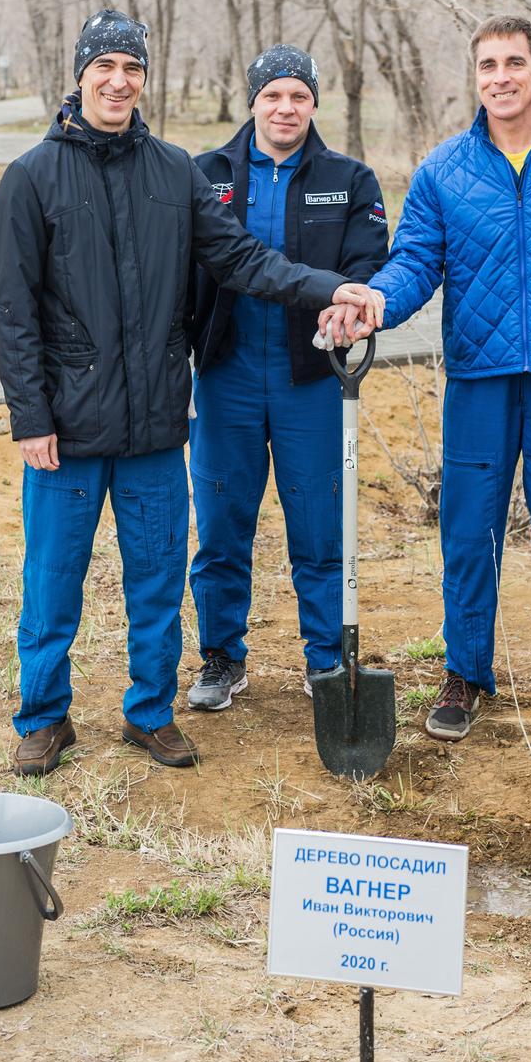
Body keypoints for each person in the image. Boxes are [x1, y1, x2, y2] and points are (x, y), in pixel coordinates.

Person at [0, 10, 382, 776]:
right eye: (103, 67)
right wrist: (29, 417)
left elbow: (243, 261)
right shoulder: (31, 177)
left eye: (131, 68)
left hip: (157, 430)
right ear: (80, 76)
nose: (117, 81)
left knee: (159, 581)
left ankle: (149, 713)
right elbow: (12, 310)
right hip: (65, 430)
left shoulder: (175, 173)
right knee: (52, 583)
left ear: (143, 80)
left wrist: (333, 285)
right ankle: (43, 717)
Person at [318, 15, 531, 750]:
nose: (499, 77)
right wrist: (374, 301)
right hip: (477, 382)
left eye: (513, 63)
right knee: (467, 535)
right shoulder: (445, 170)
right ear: (474, 78)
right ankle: (465, 676)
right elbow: (413, 262)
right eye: (486, 66)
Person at [184, 44, 389, 711]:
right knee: (220, 527)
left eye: (298, 96)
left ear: (314, 104)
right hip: (226, 377)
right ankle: (221, 659)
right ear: (252, 101)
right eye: (272, 95)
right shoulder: (203, 174)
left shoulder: (350, 179)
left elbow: (367, 268)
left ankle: (325, 661)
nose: (285, 107)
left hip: (312, 381)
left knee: (319, 529)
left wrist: (352, 314)